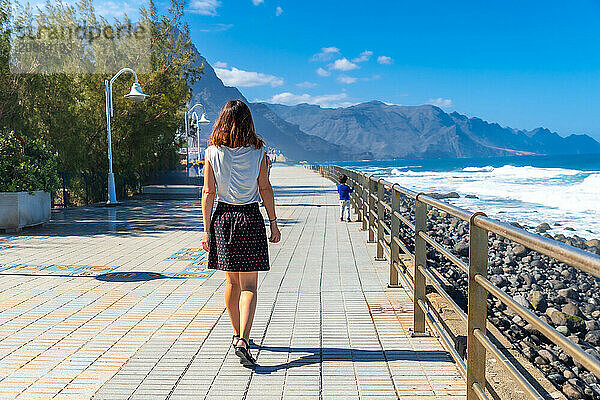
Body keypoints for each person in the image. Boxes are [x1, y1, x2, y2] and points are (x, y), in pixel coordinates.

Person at [201, 100, 281, 368]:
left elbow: (208, 193)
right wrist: (273, 222)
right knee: (249, 286)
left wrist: (206, 230)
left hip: (222, 218)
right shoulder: (259, 152)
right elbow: (265, 189)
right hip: (249, 218)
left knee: (231, 284)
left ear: (221, 120)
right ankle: (244, 340)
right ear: (248, 122)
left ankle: (236, 334)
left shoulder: (212, 152)